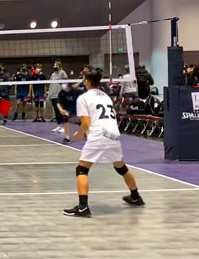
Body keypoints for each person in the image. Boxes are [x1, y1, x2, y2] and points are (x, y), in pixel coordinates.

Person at [63, 69, 144, 218]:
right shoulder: (105, 96)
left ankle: (83, 207)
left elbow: (86, 123)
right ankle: (136, 197)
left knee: (81, 169)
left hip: (99, 135)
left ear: (87, 81)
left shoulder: (84, 98)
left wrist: (77, 135)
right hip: (113, 134)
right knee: (121, 168)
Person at [49, 60, 68, 132]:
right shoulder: (53, 75)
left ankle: (63, 126)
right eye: (54, 65)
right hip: (53, 95)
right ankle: (59, 125)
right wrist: (49, 95)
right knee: (56, 111)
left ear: (59, 66)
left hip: (60, 95)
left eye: (56, 65)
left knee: (61, 111)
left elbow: (66, 83)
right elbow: (51, 85)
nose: (54, 66)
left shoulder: (63, 73)